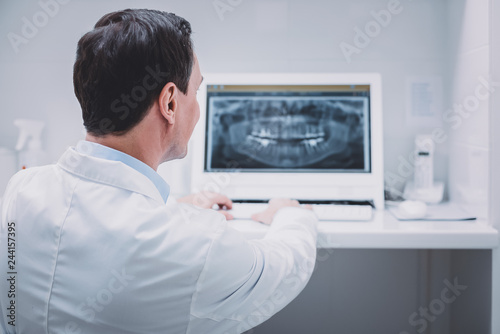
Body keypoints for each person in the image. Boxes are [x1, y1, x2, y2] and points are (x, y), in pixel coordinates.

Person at [0, 9, 318, 334]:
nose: (196, 106)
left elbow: (98, 224)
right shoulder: (196, 244)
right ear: (169, 103)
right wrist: (290, 215)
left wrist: (176, 210)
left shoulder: (20, 191)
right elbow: (280, 270)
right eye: (194, 92)